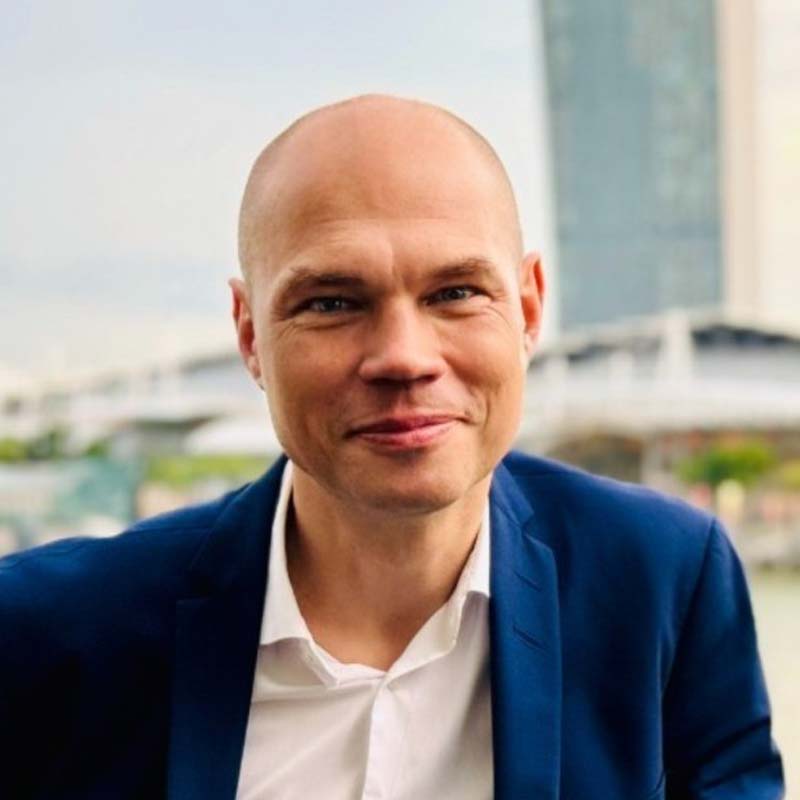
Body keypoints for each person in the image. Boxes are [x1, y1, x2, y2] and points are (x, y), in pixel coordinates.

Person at [0, 95, 783, 799]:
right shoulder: (48, 633)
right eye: (332, 302)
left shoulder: (665, 582)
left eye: (456, 293)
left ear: (529, 307)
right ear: (249, 336)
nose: (404, 357)